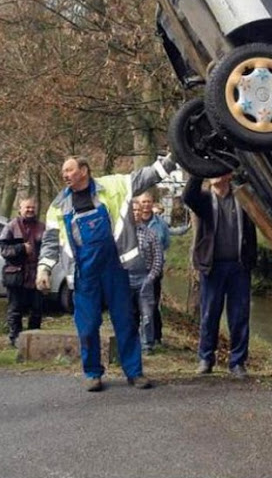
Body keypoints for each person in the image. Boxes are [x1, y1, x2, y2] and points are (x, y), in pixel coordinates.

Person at [36, 155, 176, 392]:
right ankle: (93, 373)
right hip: (84, 274)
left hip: (116, 269)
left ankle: (134, 372)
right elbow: (50, 241)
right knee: (88, 326)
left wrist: (174, 158)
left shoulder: (113, 185)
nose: (65, 175)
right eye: (63, 172)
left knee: (125, 322)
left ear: (84, 170)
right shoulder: (58, 206)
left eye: (69, 170)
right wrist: (44, 268)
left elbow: (146, 176)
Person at [183, 173, 257, 378]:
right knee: (210, 314)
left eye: (219, 171)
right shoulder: (204, 199)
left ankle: (237, 363)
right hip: (212, 267)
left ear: (228, 174)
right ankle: (206, 358)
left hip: (239, 267)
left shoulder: (242, 197)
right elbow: (188, 196)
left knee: (239, 316)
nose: (215, 175)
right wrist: (197, 170)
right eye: (212, 172)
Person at [137, 191, 189, 347]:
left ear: (152, 204)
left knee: (152, 304)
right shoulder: (132, 223)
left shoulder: (160, 224)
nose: (146, 205)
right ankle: (136, 337)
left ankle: (155, 337)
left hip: (154, 271)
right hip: (134, 272)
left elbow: (165, 243)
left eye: (148, 202)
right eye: (143, 202)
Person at [0, 197, 46, 347]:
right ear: (20, 209)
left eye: (32, 207)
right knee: (15, 310)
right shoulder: (11, 226)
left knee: (37, 310)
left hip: (36, 275)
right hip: (16, 274)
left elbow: (49, 248)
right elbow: (3, 250)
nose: (30, 210)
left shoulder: (42, 227)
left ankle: (35, 341)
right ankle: (15, 341)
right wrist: (21, 248)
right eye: (27, 207)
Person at [130, 199, 163, 354]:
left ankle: (147, 345)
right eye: (133, 210)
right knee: (128, 314)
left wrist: (151, 277)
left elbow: (158, 259)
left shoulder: (151, 234)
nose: (136, 213)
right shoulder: (122, 235)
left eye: (138, 210)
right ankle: (129, 343)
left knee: (148, 314)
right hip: (126, 278)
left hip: (145, 277)